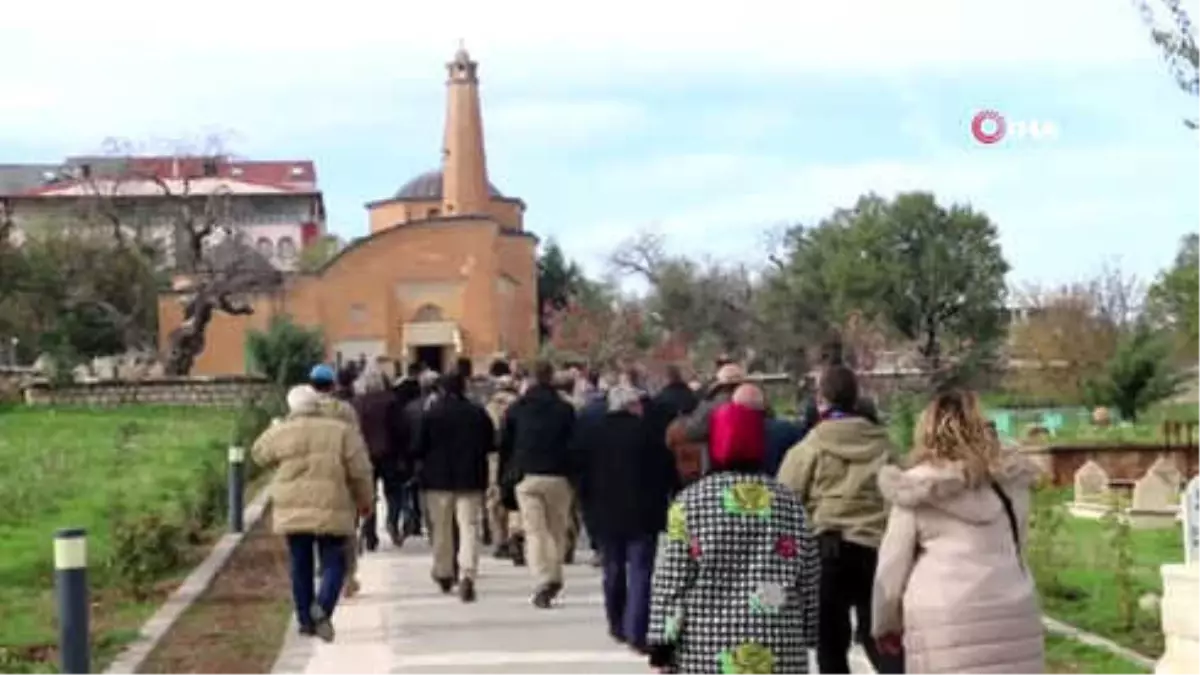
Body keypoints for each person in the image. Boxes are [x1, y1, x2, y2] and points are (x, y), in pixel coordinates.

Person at [646, 388, 820, 673]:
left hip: (705, 650)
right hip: (778, 646)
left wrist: (662, 644)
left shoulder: (690, 503)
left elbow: (673, 580)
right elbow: (808, 576)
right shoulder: (790, 504)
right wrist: (809, 631)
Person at [872, 390, 1044, 674]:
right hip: (1013, 615)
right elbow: (1018, 546)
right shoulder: (1012, 484)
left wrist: (884, 623)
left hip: (942, 622)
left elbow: (892, 567)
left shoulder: (916, 489)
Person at [776, 364, 902, 675]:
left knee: (831, 643)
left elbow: (785, 498)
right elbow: (901, 492)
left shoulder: (811, 446)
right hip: (877, 550)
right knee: (881, 636)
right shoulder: (884, 444)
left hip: (828, 551)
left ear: (822, 399)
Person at [251, 384, 374, 643]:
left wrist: (274, 427)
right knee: (335, 562)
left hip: (293, 509)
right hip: (332, 506)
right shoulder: (341, 431)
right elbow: (360, 470)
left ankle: (305, 620)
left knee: (300, 564)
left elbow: (258, 454)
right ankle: (323, 607)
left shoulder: (283, 431)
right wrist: (365, 500)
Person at [574, 384, 676, 653]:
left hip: (605, 513)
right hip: (644, 514)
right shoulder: (649, 434)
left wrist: (587, 505)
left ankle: (616, 622)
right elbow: (666, 472)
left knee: (613, 568)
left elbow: (580, 473)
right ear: (632, 407)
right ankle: (637, 630)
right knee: (642, 570)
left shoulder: (593, 434)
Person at [500, 360, 577, 608]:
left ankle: (544, 578)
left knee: (534, 532)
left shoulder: (516, 409)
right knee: (556, 530)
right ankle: (554, 574)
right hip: (559, 474)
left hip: (527, 475)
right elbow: (575, 443)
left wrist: (504, 478)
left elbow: (505, 446)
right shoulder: (565, 409)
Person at [412, 372, 495, 602]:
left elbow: (417, 447)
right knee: (468, 527)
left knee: (441, 528)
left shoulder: (432, 414)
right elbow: (491, 443)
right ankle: (467, 572)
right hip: (470, 479)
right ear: (464, 387)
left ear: (441, 389)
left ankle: (444, 571)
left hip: (438, 480)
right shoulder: (477, 413)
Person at [351, 364, 405, 551]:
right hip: (389, 453)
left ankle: (369, 533)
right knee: (394, 492)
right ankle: (392, 520)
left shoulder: (358, 403)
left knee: (368, 495)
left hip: (365, 455)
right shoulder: (392, 401)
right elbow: (400, 429)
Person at [485, 375, 521, 559]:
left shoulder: (489, 407)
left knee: (494, 501)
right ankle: (514, 533)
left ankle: (499, 541)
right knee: (515, 499)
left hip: (493, 458)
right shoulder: (519, 406)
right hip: (515, 458)